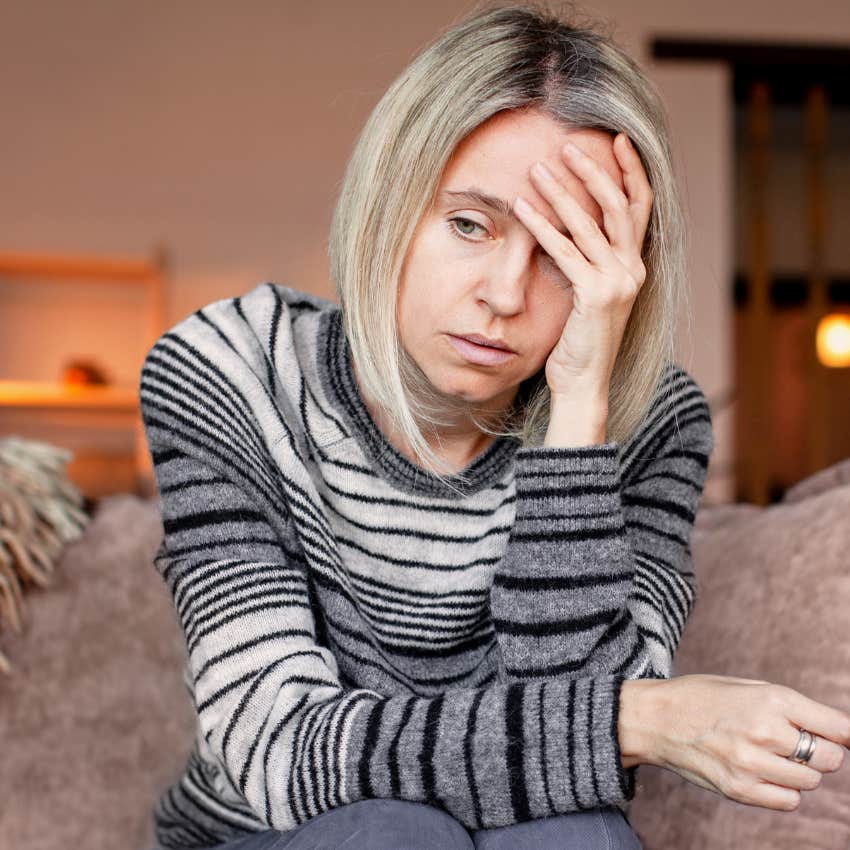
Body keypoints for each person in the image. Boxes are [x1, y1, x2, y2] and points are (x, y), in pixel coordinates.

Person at [139, 4, 850, 849]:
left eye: (561, 253)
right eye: (469, 224)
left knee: (573, 833)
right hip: (277, 836)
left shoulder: (655, 423)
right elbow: (280, 754)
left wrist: (580, 410)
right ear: (388, 203)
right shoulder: (229, 371)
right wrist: (639, 718)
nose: (506, 295)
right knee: (392, 829)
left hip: (527, 832)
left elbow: (580, 779)